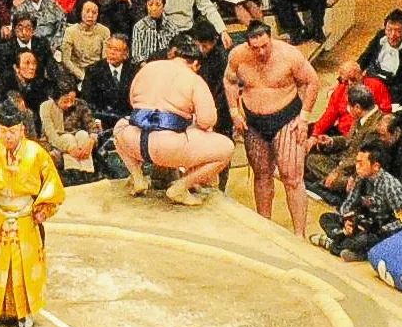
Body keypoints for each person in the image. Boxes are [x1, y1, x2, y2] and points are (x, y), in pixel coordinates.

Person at [0, 102, 64, 327]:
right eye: (3, 131)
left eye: (12, 131)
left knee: (23, 267)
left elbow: (52, 185)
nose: (8, 136)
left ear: (22, 130)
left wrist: (44, 209)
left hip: (24, 215)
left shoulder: (36, 153)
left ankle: (23, 311)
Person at [224, 16, 326, 237]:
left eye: (265, 46)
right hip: (254, 122)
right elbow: (229, 81)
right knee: (261, 175)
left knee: (292, 177)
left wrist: (304, 118)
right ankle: (265, 229)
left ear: (270, 39)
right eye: (255, 48)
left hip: (287, 118)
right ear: (247, 44)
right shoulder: (238, 56)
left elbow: (312, 81)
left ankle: (299, 234)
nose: (261, 52)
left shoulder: (289, 55)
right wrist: (234, 111)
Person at [115, 44, 235, 205]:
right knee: (226, 147)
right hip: (169, 148)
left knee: (120, 126)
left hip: (134, 143)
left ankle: (138, 176)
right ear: (194, 64)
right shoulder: (193, 78)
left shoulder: (148, 68)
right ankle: (180, 187)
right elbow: (207, 121)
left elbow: (133, 102)